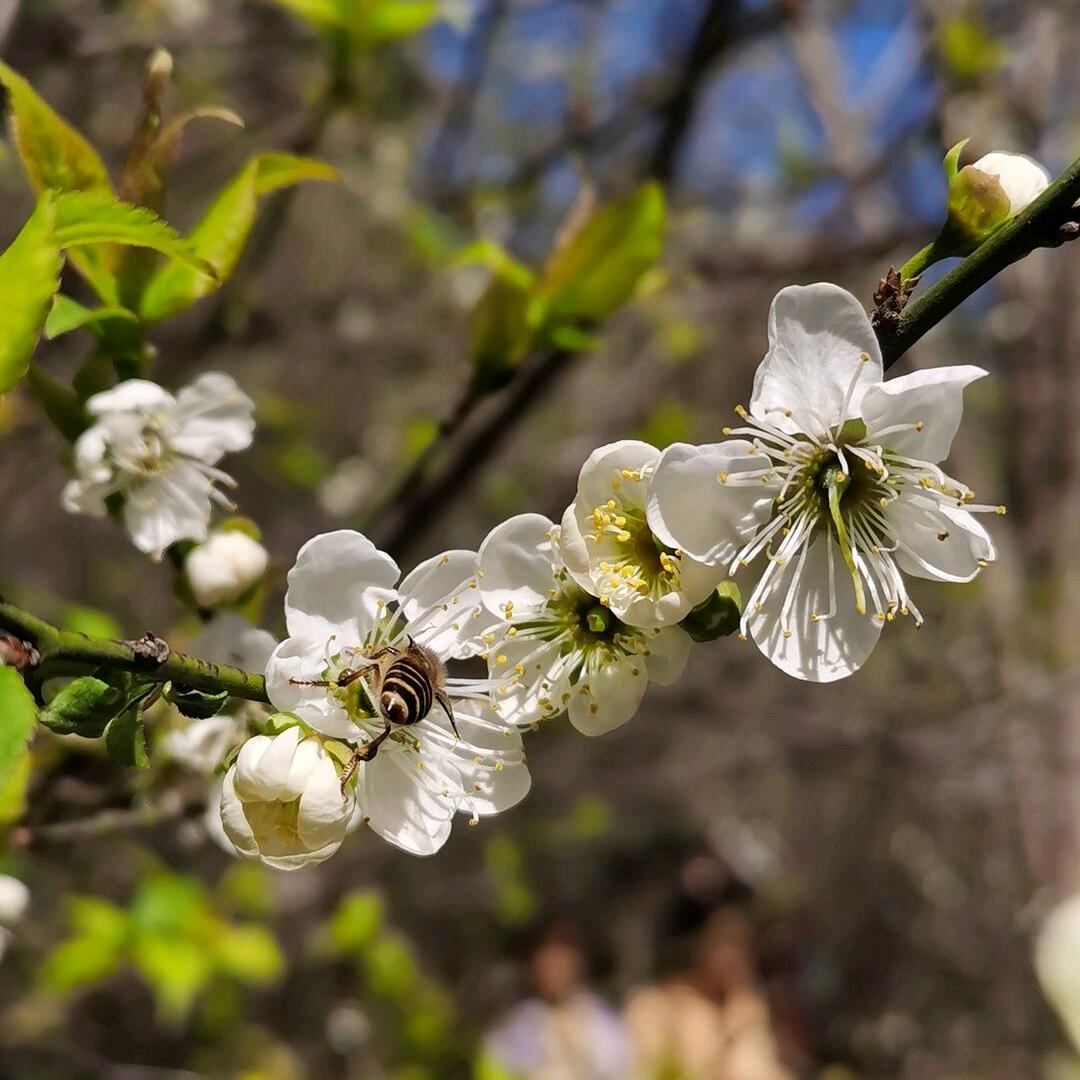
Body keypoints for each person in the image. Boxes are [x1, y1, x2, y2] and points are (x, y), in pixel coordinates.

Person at [626, 901, 795, 1080]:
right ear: (697, 946)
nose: (737, 957)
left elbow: (761, 1069)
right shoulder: (655, 1006)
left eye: (743, 945)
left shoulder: (745, 1006)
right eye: (728, 944)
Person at [482, 919, 631, 1080]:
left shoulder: (600, 1020)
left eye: (561, 962)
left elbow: (619, 1065)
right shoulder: (517, 1024)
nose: (554, 971)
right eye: (548, 962)